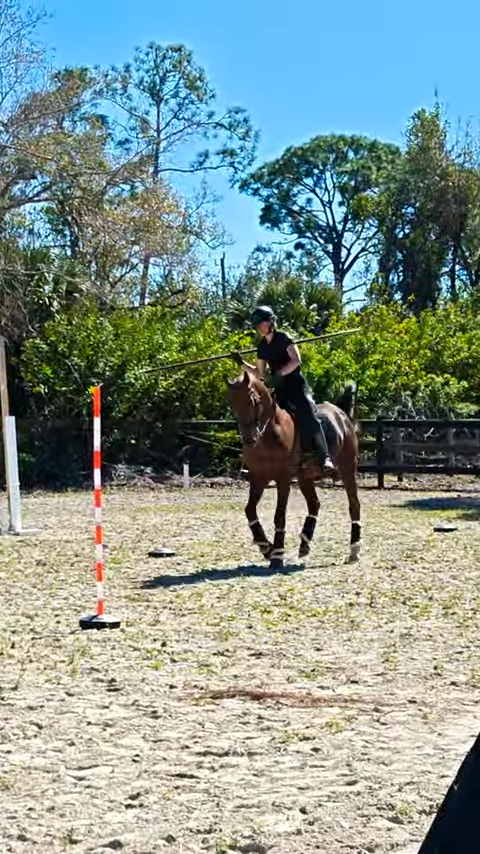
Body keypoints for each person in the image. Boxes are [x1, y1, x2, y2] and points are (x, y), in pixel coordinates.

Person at [235, 305, 334, 473]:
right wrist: (241, 363)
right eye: (257, 325)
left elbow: (296, 360)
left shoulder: (284, 338)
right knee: (262, 416)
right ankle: (260, 460)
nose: (259, 328)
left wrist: (280, 373)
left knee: (308, 414)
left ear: (271, 322)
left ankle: (324, 457)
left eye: (262, 324)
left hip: (296, 385)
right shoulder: (262, 347)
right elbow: (259, 373)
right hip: (279, 388)